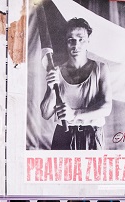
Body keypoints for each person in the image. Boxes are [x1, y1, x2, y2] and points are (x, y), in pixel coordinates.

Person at [39, 17, 111, 150]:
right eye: (71, 40)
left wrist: (74, 115)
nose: (76, 45)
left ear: (88, 40)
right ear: (66, 42)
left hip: (92, 134)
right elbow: (45, 114)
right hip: (63, 135)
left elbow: (106, 108)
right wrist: (51, 88)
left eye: (81, 39)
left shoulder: (101, 68)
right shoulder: (56, 71)